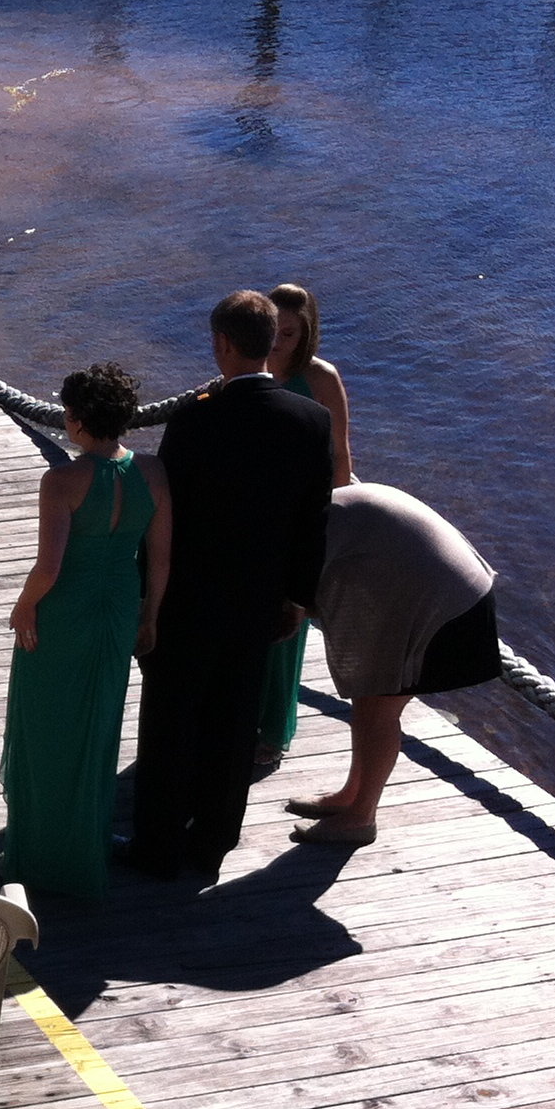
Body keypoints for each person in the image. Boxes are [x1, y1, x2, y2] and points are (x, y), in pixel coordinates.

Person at [124, 290, 334, 880]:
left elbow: (166, 515)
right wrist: (297, 598)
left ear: (221, 343)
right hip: (258, 602)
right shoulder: (310, 420)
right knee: (234, 724)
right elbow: (313, 520)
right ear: (270, 342)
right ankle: (213, 842)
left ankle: (157, 847)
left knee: (170, 725)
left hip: (188, 601)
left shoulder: (196, 416)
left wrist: (147, 601)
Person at [0, 365, 172, 898]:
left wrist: (23, 608)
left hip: (65, 612)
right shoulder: (154, 473)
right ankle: (86, 841)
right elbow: (161, 559)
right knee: (98, 726)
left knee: (46, 728)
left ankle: (40, 850)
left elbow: (48, 568)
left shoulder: (62, 481)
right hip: (119, 608)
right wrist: (150, 615)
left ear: (75, 419)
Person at [288, 483, 500, 847]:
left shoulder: (312, 530)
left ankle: (361, 818)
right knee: (368, 701)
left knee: (379, 712)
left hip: (450, 609)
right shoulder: (322, 510)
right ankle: (351, 796)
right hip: (431, 590)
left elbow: (296, 604)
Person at [255, 283, 355, 764]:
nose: (278, 342)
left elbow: (341, 457)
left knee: (285, 628)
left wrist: (333, 523)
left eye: (289, 333)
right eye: (273, 330)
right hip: (253, 515)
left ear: (307, 333)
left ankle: (274, 732)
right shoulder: (251, 369)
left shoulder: (320, 378)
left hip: (299, 519)